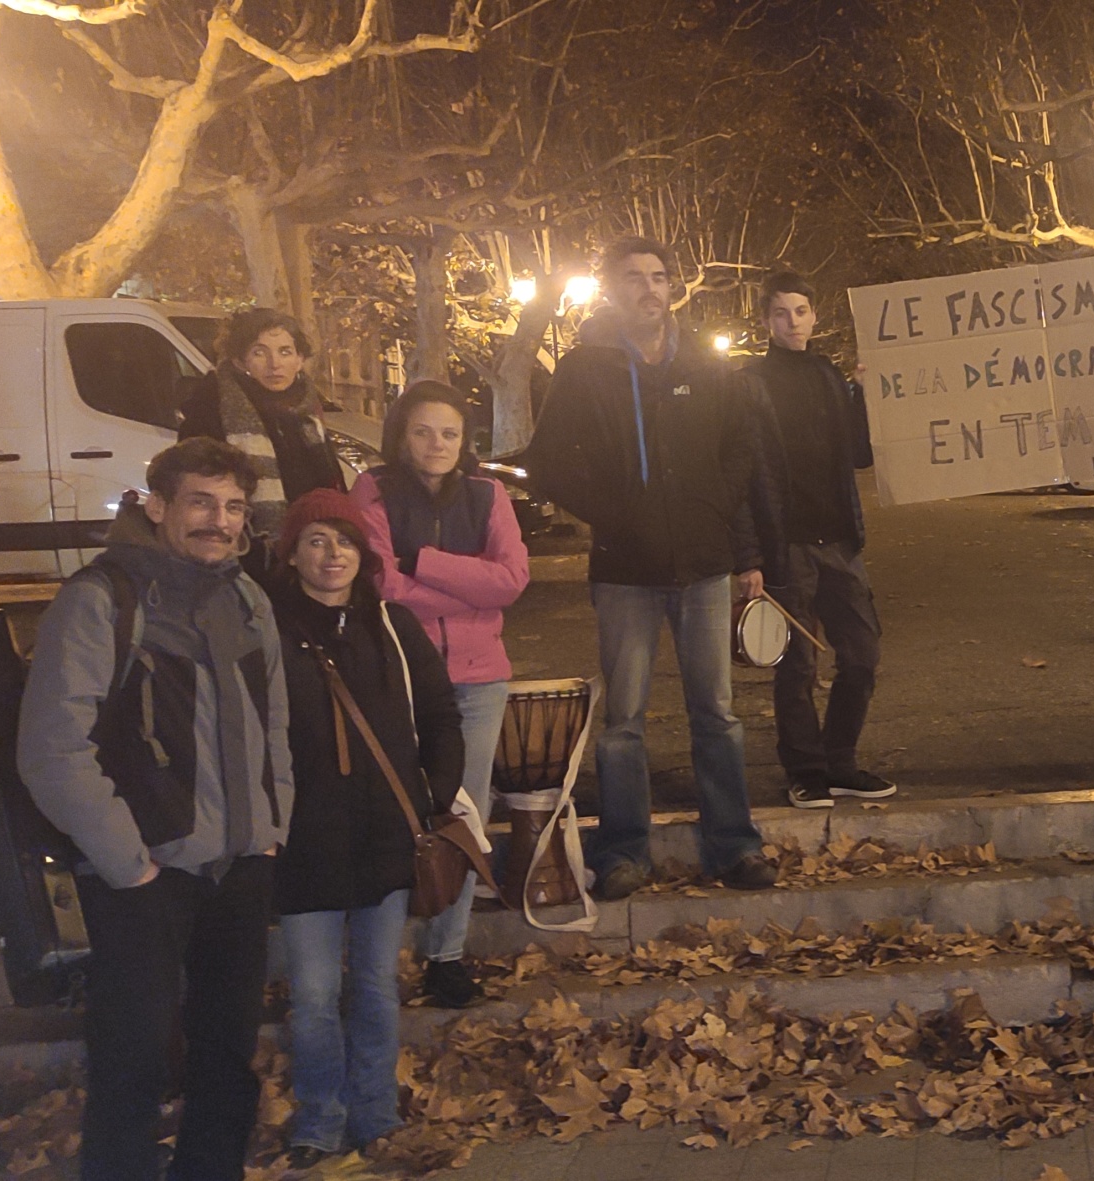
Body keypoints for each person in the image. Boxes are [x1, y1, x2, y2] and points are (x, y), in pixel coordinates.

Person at [17, 439, 294, 1181]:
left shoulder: (246, 597)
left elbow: (274, 727)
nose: (220, 520)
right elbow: (51, 747)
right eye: (202, 501)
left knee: (226, 1053)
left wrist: (271, 831)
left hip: (237, 866)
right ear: (159, 505)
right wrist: (127, 861)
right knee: (133, 1059)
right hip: (145, 872)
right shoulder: (101, 598)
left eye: (234, 506)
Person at [524, 235, 777, 897]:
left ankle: (734, 843)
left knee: (716, 712)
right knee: (624, 720)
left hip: (702, 567)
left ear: (673, 288)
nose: (648, 288)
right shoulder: (584, 369)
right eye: (633, 277)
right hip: (625, 569)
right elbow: (547, 461)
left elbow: (741, 451)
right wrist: (614, 511)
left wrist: (719, 517)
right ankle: (623, 851)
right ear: (612, 289)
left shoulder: (706, 363)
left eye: (659, 276)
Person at [262, 490, 462, 1168]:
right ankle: (321, 1111)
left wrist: (433, 792)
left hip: (383, 834)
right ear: (292, 552)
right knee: (314, 993)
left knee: (375, 981)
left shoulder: (392, 625)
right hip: (304, 839)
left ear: (364, 553)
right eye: (316, 540)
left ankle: (374, 1105)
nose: (332, 554)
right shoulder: (269, 628)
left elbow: (439, 711)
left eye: (344, 540)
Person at [351, 381, 530, 1007]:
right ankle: (378, 952)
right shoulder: (372, 489)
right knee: (394, 808)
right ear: (402, 434)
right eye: (423, 431)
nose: (436, 444)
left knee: (463, 812)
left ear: (465, 440)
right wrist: (465, 584)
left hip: (479, 678)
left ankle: (446, 954)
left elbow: (511, 580)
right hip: (399, 672)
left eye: (449, 433)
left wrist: (423, 561)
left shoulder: (488, 494)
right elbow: (378, 584)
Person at [745, 271, 897, 810]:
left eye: (801, 311)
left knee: (862, 652)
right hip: (785, 544)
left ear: (814, 316)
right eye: (781, 313)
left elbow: (859, 453)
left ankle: (840, 762)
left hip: (838, 541)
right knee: (797, 664)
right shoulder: (749, 382)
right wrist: (750, 555)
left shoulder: (830, 376)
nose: (793, 322)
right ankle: (806, 769)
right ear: (765, 320)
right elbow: (740, 471)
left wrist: (862, 395)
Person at [179, 308, 346, 547]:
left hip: (310, 551)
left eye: (285, 352)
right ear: (239, 360)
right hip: (240, 550)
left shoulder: (307, 411)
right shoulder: (211, 411)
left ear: (299, 360)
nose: (274, 364)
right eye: (259, 352)